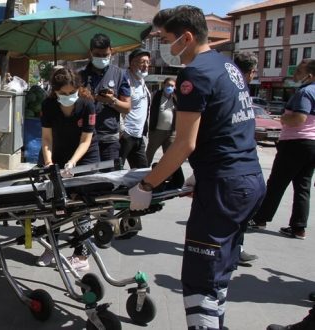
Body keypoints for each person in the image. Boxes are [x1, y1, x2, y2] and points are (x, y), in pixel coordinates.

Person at [128, 6, 265, 329]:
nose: (164, 46)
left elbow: (183, 143)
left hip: (224, 187)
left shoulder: (195, 74)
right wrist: (198, 174)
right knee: (219, 273)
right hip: (247, 179)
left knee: (200, 279)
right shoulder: (226, 65)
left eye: (166, 39)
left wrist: (146, 186)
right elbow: (228, 127)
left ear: (187, 37)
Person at [35, 67, 99, 271]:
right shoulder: (48, 105)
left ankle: (81, 254)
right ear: (54, 92)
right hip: (58, 153)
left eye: (71, 93)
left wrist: (73, 162)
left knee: (81, 206)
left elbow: (86, 140)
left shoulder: (87, 105)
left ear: (78, 89)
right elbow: (46, 139)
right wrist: (49, 163)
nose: (68, 97)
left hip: (84, 156)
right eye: (62, 94)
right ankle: (50, 248)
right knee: (54, 204)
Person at [250, 59, 315, 239]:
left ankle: (260, 218)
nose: (295, 75)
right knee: (303, 186)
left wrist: (283, 119)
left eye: (299, 71)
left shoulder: (305, 92)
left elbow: (299, 119)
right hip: (312, 144)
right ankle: (298, 227)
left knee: (277, 183)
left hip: (296, 142)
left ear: (309, 75)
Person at [79, 33, 131, 164]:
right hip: (85, 138)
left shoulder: (119, 74)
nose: (101, 58)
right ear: (90, 52)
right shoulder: (80, 76)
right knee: (88, 179)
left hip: (109, 140)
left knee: (108, 179)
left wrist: (112, 100)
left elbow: (127, 108)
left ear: (111, 52)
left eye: (105, 55)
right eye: (97, 55)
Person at [231, 51, 261, 266]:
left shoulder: (239, 89)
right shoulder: (234, 89)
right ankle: (230, 251)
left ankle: (234, 248)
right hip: (233, 162)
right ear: (251, 72)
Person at [119, 48, 151, 168]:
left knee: (141, 172)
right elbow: (117, 106)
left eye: (147, 62)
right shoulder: (124, 79)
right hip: (125, 135)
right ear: (132, 63)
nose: (146, 65)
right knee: (116, 171)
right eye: (142, 62)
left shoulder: (142, 80)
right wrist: (122, 130)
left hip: (138, 135)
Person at [146, 77, 176, 163]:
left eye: (172, 86)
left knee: (169, 157)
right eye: (168, 85)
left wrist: (176, 97)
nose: (169, 87)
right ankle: (143, 172)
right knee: (149, 154)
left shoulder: (176, 97)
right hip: (157, 131)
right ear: (163, 85)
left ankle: (166, 175)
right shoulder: (156, 95)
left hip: (171, 132)